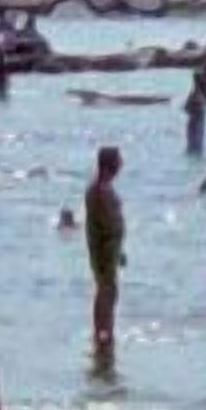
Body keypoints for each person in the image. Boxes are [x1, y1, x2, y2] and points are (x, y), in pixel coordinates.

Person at [84, 146, 125, 369]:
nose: (121, 165)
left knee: (107, 289)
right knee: (107, 289)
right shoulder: (100, 190)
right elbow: (105, 221)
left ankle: (104, 329)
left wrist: (119, 249)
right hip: (104, 246)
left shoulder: (100, 188)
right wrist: (112, 246)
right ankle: (103, 330)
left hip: (109, 246)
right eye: (118, 161)